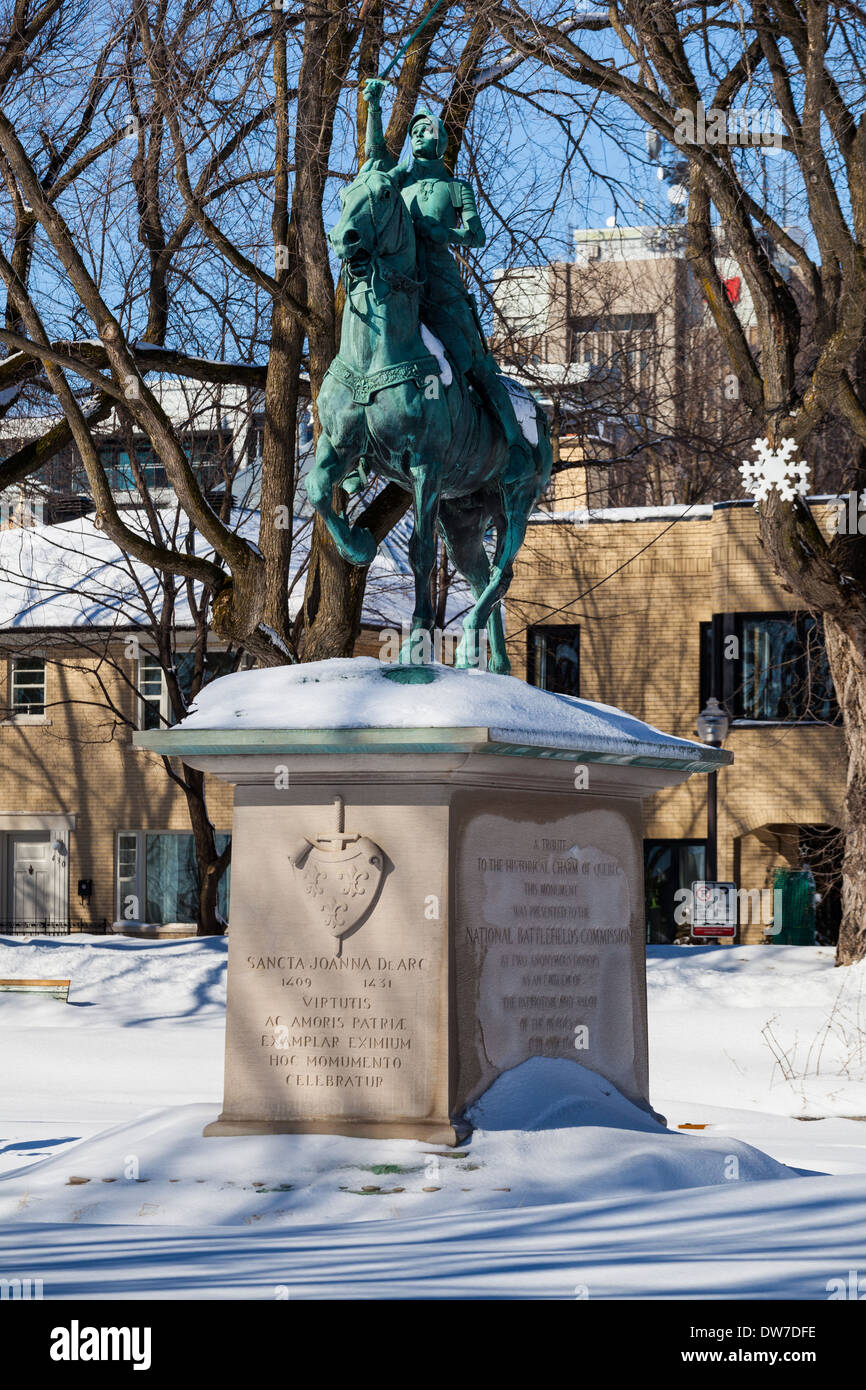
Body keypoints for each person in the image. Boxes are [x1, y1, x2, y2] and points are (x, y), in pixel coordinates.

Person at [355, 76, 532, 478]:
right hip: (401, 289)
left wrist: (445, 234)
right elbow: (375, 157)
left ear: (440, 141)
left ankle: (515, 446)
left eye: (426, 130)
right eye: (414, 131)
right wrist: (376, 107)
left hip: (443, 288)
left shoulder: (456, 188)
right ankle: (360, 446)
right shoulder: (400, 179)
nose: (418, 135)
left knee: (474, 364)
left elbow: (478, 235)